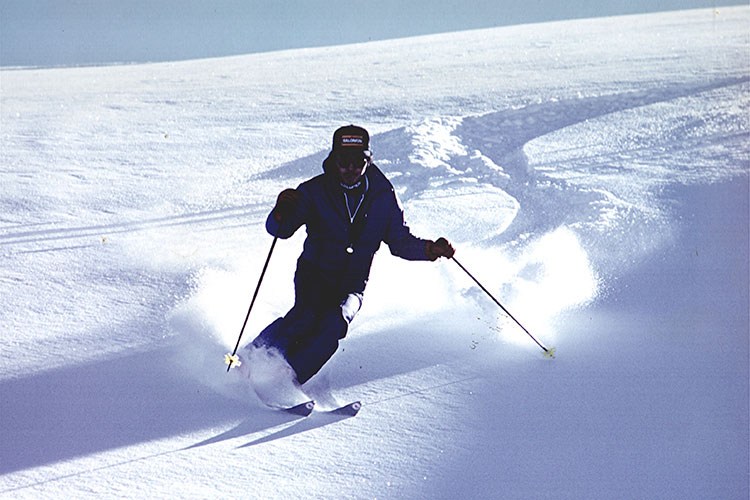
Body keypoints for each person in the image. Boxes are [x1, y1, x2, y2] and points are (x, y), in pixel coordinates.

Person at [247, 124, 455, 388]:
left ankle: (287, 378)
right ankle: (253, 357)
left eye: (358, 162)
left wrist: (430, 250)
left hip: (352, 283)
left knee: (335, 323)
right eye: (343, 162)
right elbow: (281, 231)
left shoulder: (383, 196)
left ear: (368, 160)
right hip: (315, 272)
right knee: (306, 316)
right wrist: (280, 211)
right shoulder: (314, 191)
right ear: (334, 160)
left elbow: (400, 242)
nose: (350, 169)